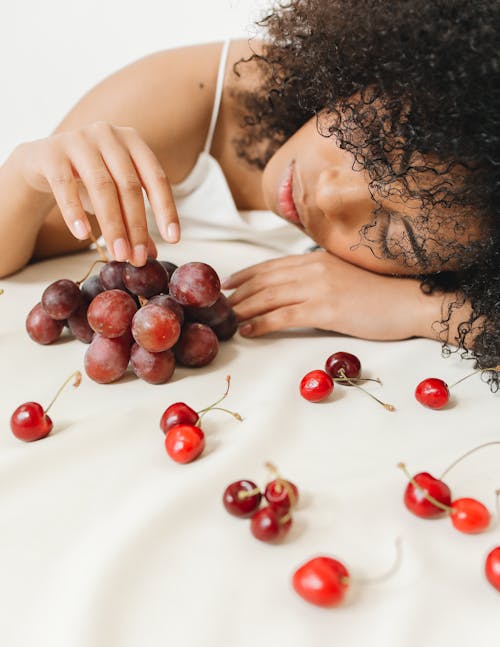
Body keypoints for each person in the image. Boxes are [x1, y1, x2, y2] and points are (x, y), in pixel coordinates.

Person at [1, 0, 498, 385]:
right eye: (370, 146)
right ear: (377, 74)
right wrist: (26, 172)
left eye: (393, 235)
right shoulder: (183, 99)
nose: (329, 197)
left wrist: (415, 308)